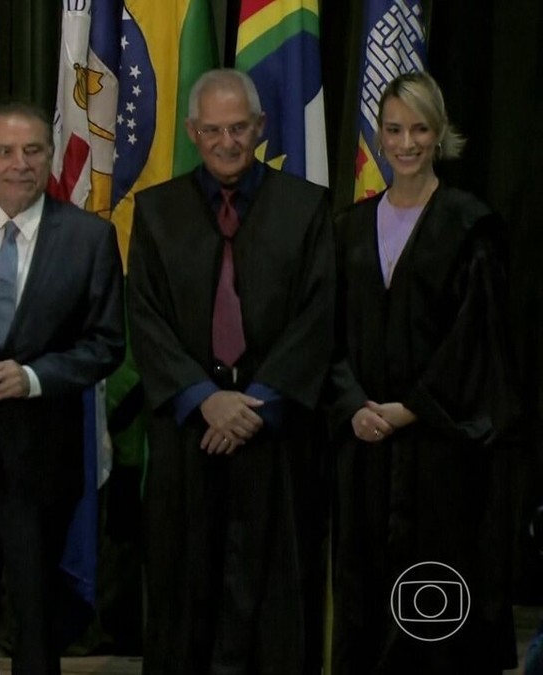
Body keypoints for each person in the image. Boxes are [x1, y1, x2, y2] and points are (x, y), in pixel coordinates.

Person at [127, 68, 333, 674]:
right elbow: (146, 316)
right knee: (185, 593)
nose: (226, 142)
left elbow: (318, 316)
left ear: (260, 128)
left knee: (271, 597)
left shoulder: (306, 207)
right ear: (192, 131)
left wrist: (257, 404)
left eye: (238, 128)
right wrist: (205, 399)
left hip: (276, 435)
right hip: (190, 434)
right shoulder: (156, 211)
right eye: (213, 130)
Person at [328, 71, 517, 675]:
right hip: (363, 450)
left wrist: (410, 408)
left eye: (419, 129)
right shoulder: (349, 229)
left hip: (440, 455)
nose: (405, 142)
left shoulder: (469, 226)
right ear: (377, 137)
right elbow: (325, 333)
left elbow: (477, 343)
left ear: (439, 136)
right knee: (364, 599)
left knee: (433, 604)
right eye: (393, 129)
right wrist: (353, 402)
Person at [0, 102, 125, 675]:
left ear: (51, 156)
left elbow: (106, 344)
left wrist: (35, 378)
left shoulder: (90, 237)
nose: (20, 164)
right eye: (5, 151)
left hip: (44, 456)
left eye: (33, 150)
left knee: (39, 620)